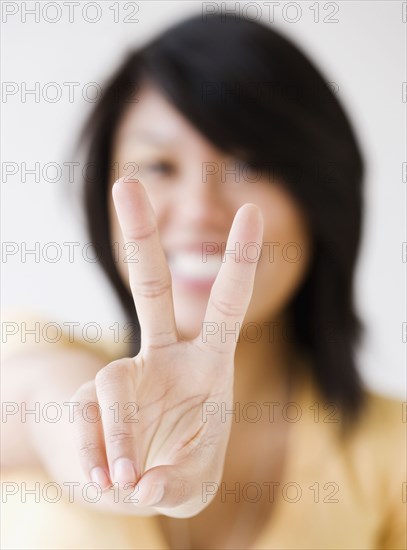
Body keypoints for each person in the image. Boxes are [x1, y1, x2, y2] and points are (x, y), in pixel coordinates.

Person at [2, 13, 405, 550]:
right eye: (161, 165)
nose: (198, 210)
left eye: (250, 166)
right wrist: (106, 445)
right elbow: (32, 405)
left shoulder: (391, 449)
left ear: (320, 201)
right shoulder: (31, 349)